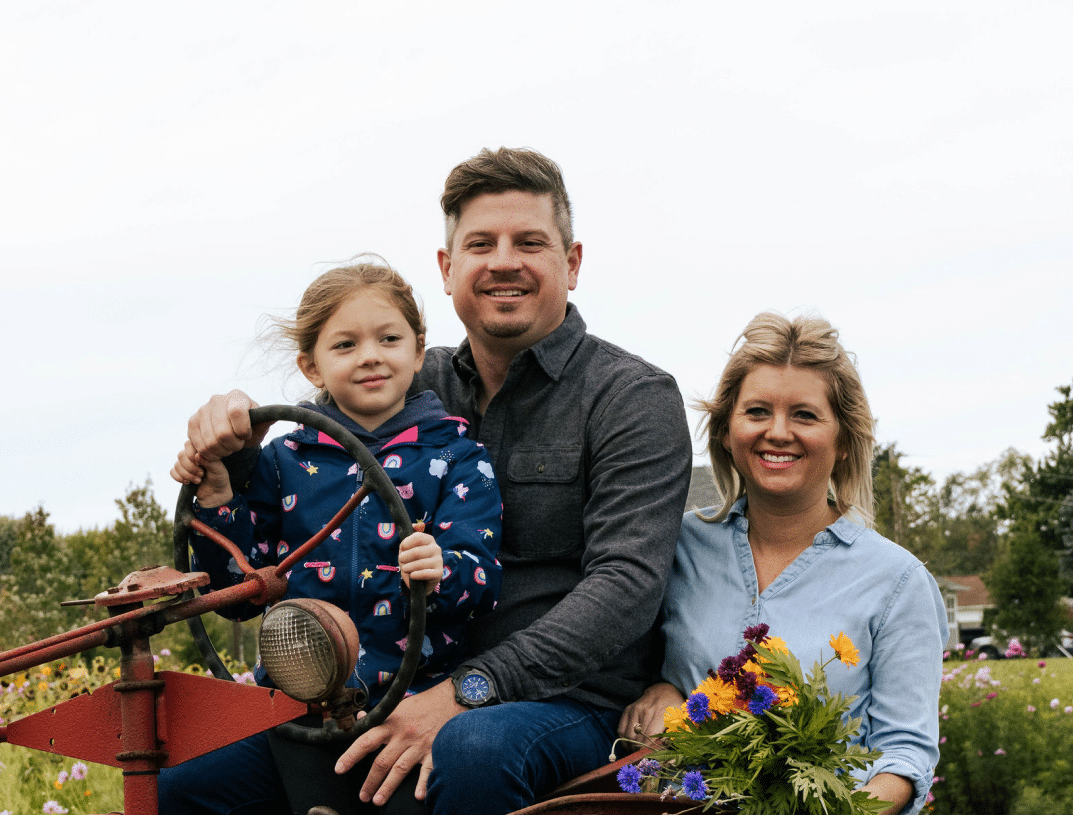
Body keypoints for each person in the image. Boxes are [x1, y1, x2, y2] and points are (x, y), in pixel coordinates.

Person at [177, 147, 693, 815]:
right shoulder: (405, 379)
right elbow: (310, 449)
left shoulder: (629, 397)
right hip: (391, 681)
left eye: (529, 242)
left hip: (561, 701)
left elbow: (624, 586)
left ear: (571, 263)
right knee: (187, 773)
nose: (503, 260)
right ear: (448, 269)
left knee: (471, 750)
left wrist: (462, 692)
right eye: (481, 243)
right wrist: (232, 443)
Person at [161, 260, 504, 815]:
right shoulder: (284, 461)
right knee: (179, 788)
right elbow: (237, 588)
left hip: (407, 703)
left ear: (418, 351)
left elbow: (482, 584)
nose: (370, 355)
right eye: (345, 345)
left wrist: (441, 569)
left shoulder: (456, 457)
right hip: (292, 704)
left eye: (388, 339)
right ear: (312, 366)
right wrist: (218, 494)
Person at [619, 312, 948, 815]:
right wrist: (660, 688)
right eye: (756, 412)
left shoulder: (898, 582)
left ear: (842, 442)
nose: (778, 432)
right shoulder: (675, 546)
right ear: (728, 432)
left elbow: (904, 756)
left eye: (805, 415)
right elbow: (623, 664)